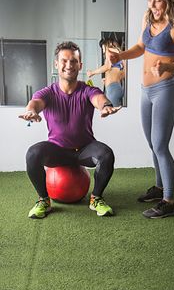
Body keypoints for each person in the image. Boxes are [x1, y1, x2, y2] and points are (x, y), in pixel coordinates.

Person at [109, 0, 174, 219]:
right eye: (150, 1)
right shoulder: (147, 18)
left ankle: (169, 200)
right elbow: (140, 46)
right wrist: (120, 56)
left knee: (160, 145)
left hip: (165, 90)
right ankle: (158, 187)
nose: (154, 6)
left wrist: (167, 68)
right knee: (151, 144)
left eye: (159, 1)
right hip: (145, 91)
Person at [19, 41, 121, 219]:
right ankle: (44, 200)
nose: (69, 65)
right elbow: (35, 103)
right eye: (64, 61)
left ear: (80, 65)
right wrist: (31, 111)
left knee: (106, 154)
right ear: (56, 64)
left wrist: (106, 106)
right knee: (33, 153)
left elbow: (99, 99)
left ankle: (96, 198)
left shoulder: (88, 90)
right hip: (57, 150)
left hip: (84, 150)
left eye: (73, 61)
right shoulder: (47, 92)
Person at [87, 39, 125, 107]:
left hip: (112, 90)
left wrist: (92, 72)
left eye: (103, 48)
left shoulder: (109, 51)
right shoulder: (120, 54)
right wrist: (107, 79)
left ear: (107, 44)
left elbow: (107, 66)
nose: (103, 51)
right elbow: (123, 73)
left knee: (112, 114)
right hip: (117, 88)